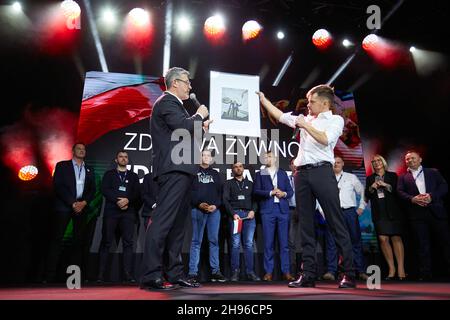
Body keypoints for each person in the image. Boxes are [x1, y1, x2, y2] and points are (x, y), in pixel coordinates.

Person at [257, 85, 356, 288]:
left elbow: (325, 139)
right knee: (306, 225)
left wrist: (305, 125)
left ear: (325, 103)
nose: (307, 104)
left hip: (322, 172)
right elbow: (281, 116)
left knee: (336, 221)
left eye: (311, 101)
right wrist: (263, 100)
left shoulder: (335, 120)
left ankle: (348, 273)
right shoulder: (306, 119)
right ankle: (308, 274)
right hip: (301, 174)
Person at [140, 67, 210, 290]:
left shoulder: (175, 106)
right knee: (162, 222)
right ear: (175, 83)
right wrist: (199, 115)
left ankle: (174, 273)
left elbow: (184, 134)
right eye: (187, 82)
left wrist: (201, 126)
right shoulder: (166, 102)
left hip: (184, 171)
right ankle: (151, 275)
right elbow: (183, 126)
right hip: (173, 171)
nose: (190, 86)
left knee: (178, 226)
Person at [44, 142, 96, 283]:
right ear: (73, 151)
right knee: (57, 240)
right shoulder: (62, 165)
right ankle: (49, 277)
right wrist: (72, 203)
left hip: (81, 208)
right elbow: (58, 186)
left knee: (78, 242)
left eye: (84, 149)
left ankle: (74, 277)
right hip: (64, 207)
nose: (82, 151)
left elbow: (92, 189)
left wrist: (83, 203)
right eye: (79, 149)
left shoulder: (89, 169)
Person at [397, 150, 450, 280]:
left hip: (436, 212)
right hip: (417, 215)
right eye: (408, 159)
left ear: (420, 159)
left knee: (445, 242)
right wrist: (412, 199)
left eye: (413, 158)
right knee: (422, 245)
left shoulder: (433, 172)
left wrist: (431, 196)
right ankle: (425, 274)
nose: (410, 160)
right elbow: (399, 192)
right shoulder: (403, 177)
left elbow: (444, 187)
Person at [321, 156, 368, 281]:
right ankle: (331, 271)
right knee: (331, 243)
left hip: (349, 212)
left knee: (355, 241)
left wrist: (361, 207)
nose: (336, 164)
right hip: (332, 213)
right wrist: (323, 212)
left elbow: (362, 191)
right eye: (333, 163)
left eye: (338, 162)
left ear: (343, 164)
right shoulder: (325, 179)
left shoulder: (351, 177)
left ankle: (360, 270)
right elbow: (319, 198)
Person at [97, 151, 141, 283]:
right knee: (106, 242)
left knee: (128, 243)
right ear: (116, 160)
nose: (123, 159)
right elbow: (105, 190)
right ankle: (100, 275)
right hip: (111, 212)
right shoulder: (109, 174)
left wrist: (127, 200)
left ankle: (128, 275)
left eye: (126, 157)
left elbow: (137, 193)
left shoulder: (133, 176)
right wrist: (118, 201)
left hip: (128, 213)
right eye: (121, 157)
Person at [253, 151, 294, 281]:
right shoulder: (260, 174)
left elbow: (291, 191)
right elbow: (256, 191)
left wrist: (284, 194)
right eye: (265, 157)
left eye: (269, 156)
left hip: (282, 210)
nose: (267, 158)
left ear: (275, 158)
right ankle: (268, 272)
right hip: (267, 211)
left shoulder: (282, 173)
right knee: (268, 243)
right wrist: (270, 192)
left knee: (284, 244)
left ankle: (286, 271)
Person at [187, 150, 226, 283]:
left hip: (214, 211)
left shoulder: (215, 174)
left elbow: (221, 194)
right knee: (196, 241)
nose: (206, 157)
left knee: (214, 241)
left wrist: (216, 205)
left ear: (211, 159)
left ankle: (215, 271)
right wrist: (198, 204)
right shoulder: (193, 173)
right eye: (204, 155)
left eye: (208, 155)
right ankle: (192, 272)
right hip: (198, 210)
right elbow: (188, 192)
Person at [365, 154, 406, 280]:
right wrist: (372, 187)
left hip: (393, 211)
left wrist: (385, 185)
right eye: (374, 161)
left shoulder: (392, 175)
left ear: (383, 162)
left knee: (396, 238)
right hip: (379, 212)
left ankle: (401, 269)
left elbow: (398, 191)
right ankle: (391, 269)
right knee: (383, 239)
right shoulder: (370, 178)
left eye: (379, 161)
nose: (376, 163)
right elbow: (367, 195)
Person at [223, 162, 261, 282]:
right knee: (235, 244)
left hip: (249, 216)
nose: (238, 168)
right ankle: (235, 272)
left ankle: (250, 272)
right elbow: (225, 200)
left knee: (249, 244)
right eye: (235, 167)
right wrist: (233, 214)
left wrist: (253, 211)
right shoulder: (228, 183)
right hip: (235, 216)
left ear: (243, 169)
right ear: (232, 170)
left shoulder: (250, 184)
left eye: (240, 166)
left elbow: (255, 200)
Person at [287, 158, 302, 275]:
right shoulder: (286, 179)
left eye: (297, 164)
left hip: (303, 210)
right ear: (290, 166)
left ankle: (303, 269)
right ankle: (292, 271)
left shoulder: (304, 178)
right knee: (291, 241)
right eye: (293, 164)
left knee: (303, 241)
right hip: (290, 210)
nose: (295, 166)